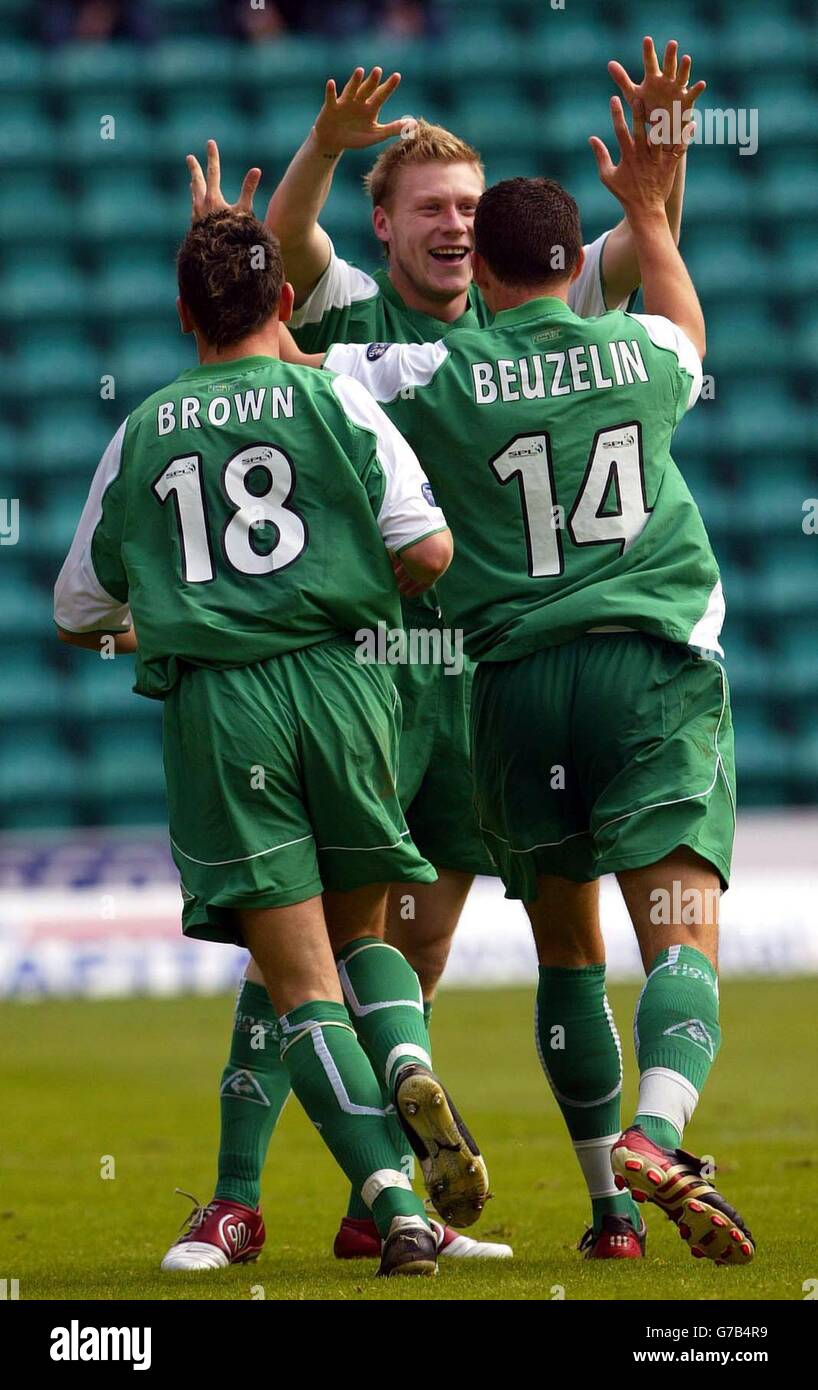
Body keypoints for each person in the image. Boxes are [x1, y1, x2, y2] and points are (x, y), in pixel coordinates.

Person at [183, 38, 706, 1265]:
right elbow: (295, 246)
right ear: (384, 223)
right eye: (430, 209)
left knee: (403, 948)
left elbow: (637, 241)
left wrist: (663, 162)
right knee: (300, 943)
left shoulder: (529, 315)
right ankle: (236, 1189)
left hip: (476, 688)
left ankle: (382, 1201)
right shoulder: (347, 311)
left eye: (471, 208)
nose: (457, 228)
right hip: (362, 676)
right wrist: (320, 150)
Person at [300, 95, 754, 1267]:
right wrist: (650, 207)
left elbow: (295, 362)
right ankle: (656, 1140)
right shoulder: (639, 349)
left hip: (508, 692)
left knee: (567, 958)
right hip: (647, 674)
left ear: (484, 270)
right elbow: (684, 321)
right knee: (679, 942)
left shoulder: (427, 367)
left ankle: (609, 1211)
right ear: (574, 267)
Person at [53, 208, 490, 1279]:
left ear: (182, 314)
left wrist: (173, 615)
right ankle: (401, 1055)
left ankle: (391, 1204)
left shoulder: (146, 427)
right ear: (285, 304)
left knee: (296, 983)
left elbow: (76, 608)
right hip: (346, 690)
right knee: (363, 937)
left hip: (225, 712)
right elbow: (427, 547)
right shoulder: (331, 392)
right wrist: (328, 594)